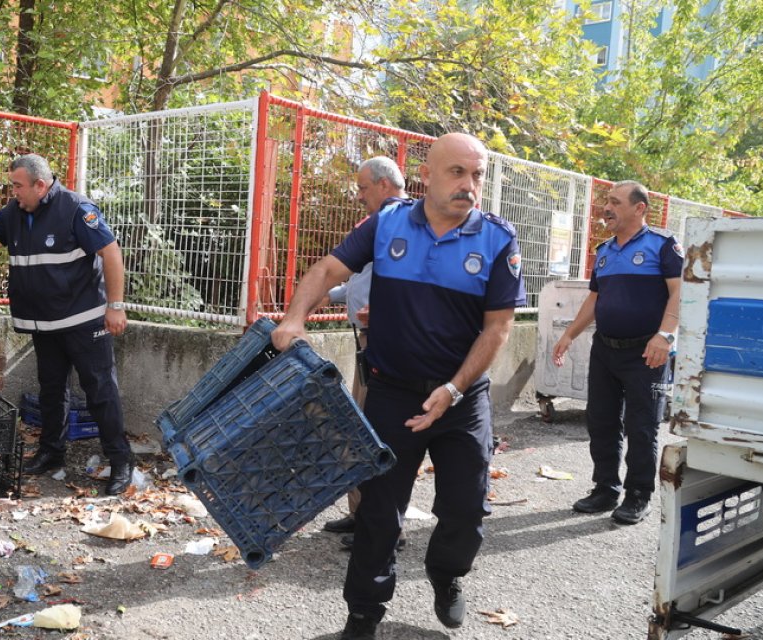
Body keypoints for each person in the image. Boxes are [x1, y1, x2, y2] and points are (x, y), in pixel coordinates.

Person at [272, 133, 525, 639]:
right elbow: (327, 268)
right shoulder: (386, 223)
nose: (469, 186)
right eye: (457, 173)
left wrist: (452, 390)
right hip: (392, 392)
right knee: (379, 511)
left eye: (477, 176)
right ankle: (364, 612)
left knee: (466, 506)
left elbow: (498, 328)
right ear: (425, 177)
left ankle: (447, 574)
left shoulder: (498, 239)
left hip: (461, 398)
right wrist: (294, 318)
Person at [0, 154, 134, 496]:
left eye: (18, 186)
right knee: (51, 389)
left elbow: (111, 252)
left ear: (40, 185)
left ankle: (121, 461)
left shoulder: (76, 209)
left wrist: (115, 306)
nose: (13, 192)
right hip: (45, 323)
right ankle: (51, 452)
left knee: (99, 390)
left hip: (83, 320)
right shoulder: (15, 213)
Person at [552, 180, 680, 525]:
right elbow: (595, 298)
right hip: (605, 349)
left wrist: (665, 336)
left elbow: (679, 293)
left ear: (639, 208)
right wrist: (569, 334)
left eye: (615, 202)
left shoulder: (663, 246)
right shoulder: (605, 250)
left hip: (646, 353)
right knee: (602, 421)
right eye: (606, 201)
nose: (606, 208)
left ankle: (638, 495)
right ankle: (605, 489)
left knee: (641, 426)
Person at [320, 156, 411, 552]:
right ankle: (362, 515)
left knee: (377, 432)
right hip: (365, 338)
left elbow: (407, 281)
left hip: (386, 342)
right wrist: (334, 293)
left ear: (385, 185)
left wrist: (387, 310)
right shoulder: (379, 223)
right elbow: (364, 275)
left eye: (363, 189)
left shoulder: (404, 222)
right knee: (360, 426)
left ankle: (384, 527)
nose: (359, 197)